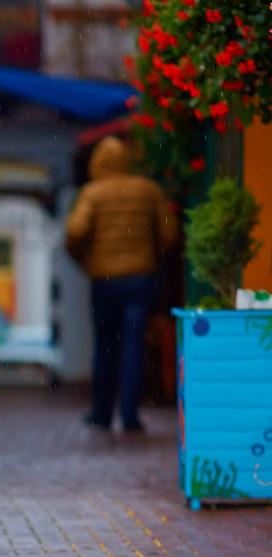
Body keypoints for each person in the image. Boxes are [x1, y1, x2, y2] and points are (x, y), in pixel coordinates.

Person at [65, 136, 178, 432]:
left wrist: (86, 261)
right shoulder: (148, 191)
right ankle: (129, 414)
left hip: (104, 280)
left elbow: (75, 231)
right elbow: (169, 233)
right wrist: (151, 256)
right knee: (133, 345)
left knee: (105, 346)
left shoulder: (92, 193)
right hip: (141, 278)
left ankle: (102, 413)